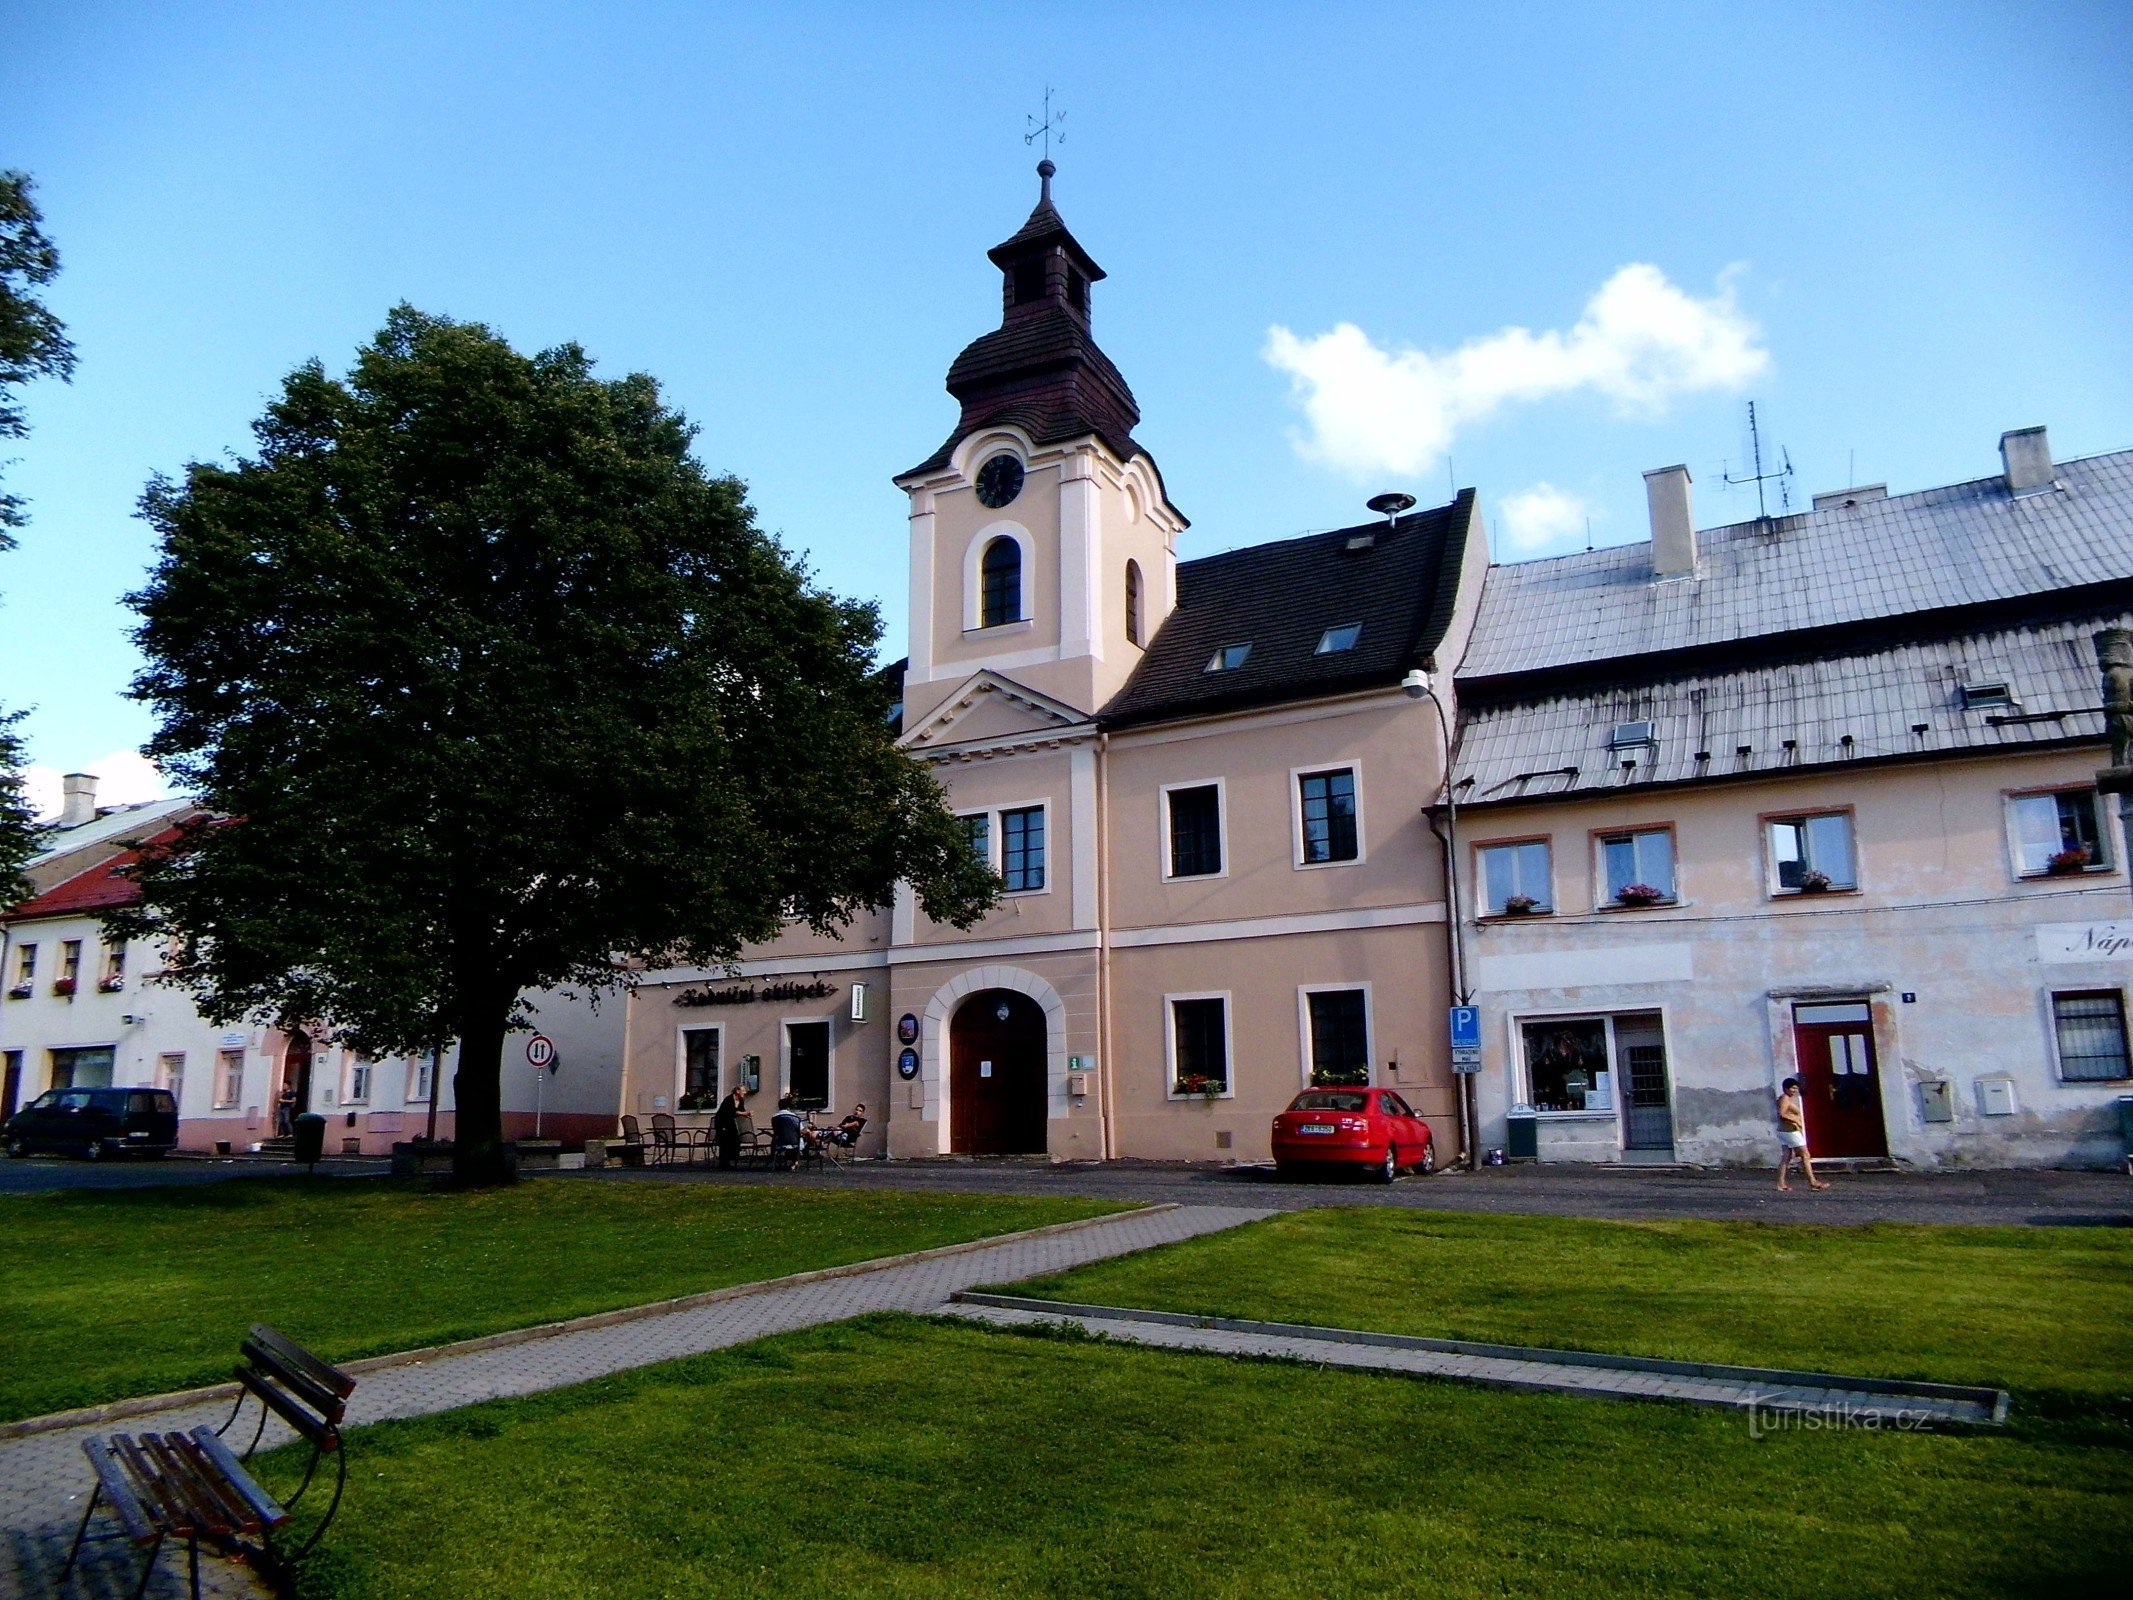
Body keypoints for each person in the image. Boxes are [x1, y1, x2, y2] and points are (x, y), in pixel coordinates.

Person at [1776, 1077, 1828, 1191]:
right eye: (1792, 1088)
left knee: (1786, 1156)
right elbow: (1782, 1114)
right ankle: (1813, 1182)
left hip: (1783, 1131)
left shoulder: (1785, 1098)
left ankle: (1780, 1183)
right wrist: (1796, 1121)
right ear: (1786, 1088)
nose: (1794, 1090)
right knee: (1805, 1155)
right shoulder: (1785, 1098)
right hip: (1790, 1131)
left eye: (1796, 1088)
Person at [713, 1084, 747, 1170]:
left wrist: (747, 1114)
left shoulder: (741, 1100)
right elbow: (730, 1111)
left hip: (732, 1124)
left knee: (735, 1139)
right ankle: (723, 1162)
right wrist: (743, 1113)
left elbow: (742, 1110)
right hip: (722, 1123)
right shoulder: (728, 1100)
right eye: (743, 1091)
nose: (745, 1092)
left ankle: (731, 1159)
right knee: (725, 1140)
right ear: (737, 1091)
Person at [769, 1093, 807, 1171]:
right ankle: (795, 1161)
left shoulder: (774, 1117)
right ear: (789, 1107)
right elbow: (801, 1131)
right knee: (802, 1139)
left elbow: (775, 1129)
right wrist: (808, 1127)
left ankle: (777, 1161)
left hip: (779, 1142)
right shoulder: (794, 1117)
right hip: (794, 1142)